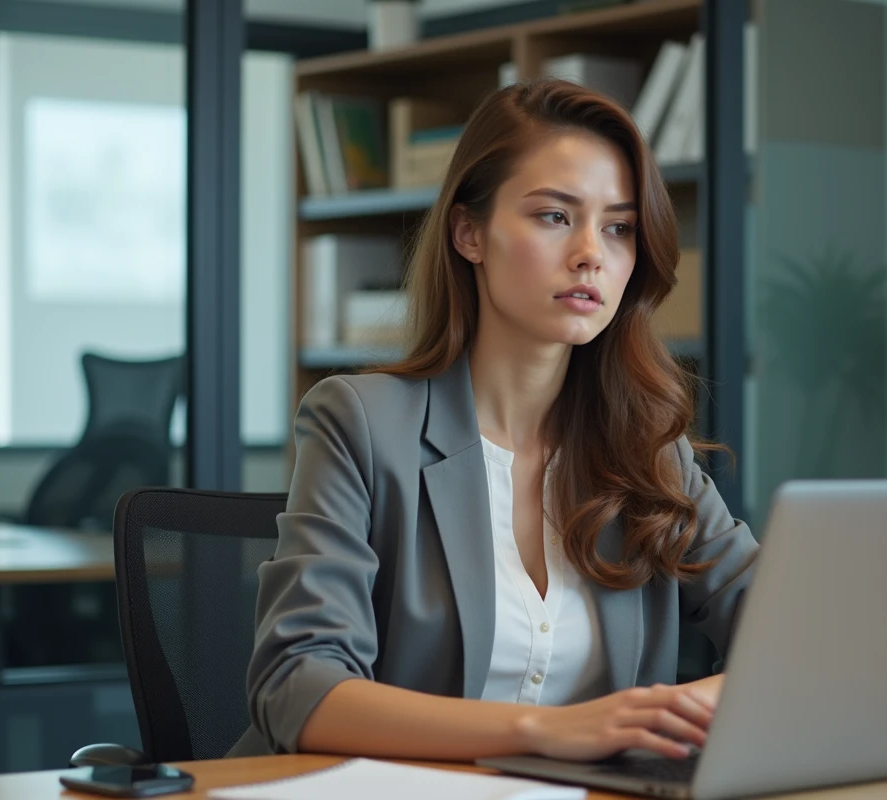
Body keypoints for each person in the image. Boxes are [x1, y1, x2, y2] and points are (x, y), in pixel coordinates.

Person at [229, 79, 758, 763]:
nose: (592, 253)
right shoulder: (358, 423)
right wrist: (543, 731)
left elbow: (789, 633)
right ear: (469, 233)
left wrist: (683, 709)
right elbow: (297, 684)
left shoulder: (650, 450)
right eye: (554, 217)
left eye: (619, 227)